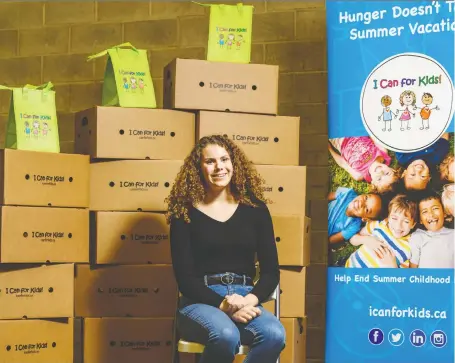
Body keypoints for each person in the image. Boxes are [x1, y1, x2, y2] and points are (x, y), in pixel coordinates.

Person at [166, 135, 285, 363]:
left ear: (234, 164)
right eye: (210, 161)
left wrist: (247, 300)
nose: (219, 167)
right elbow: (185, 279)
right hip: (199, 300)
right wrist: (224, 305)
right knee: (225, 334)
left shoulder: (256, 210)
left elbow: (271, 272)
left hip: (245, 296)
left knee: (274, 334)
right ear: (198, 168)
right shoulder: (184, 213)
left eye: (224, 159)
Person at [346, 194, 418, 268]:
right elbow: (352, 239)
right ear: (388, 217)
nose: (398, 226)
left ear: (413, 224)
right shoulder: (380, 224)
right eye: (394, 218)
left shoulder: (409, 248)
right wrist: (367, 240)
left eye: (406, 221)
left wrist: (392, 265)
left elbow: (399, 277)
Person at [328, 136, 400, 193]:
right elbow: (373, 137)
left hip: (340, 141)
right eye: (387, 173)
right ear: (392, 169)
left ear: (373, 184)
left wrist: (330, 148)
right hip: (356, 131)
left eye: (379, 179)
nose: (381, 173)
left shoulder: (359, 175)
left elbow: (343, 163)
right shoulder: (383, 153)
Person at [409, 191, 454, 268]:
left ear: (444, 212)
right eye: (425, 211)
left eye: (435, 208)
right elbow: (412, 271)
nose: (431, 214)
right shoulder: (417, 237)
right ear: (420, 220)